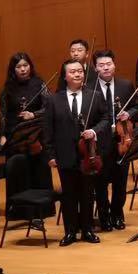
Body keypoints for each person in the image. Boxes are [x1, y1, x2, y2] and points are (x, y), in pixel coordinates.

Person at [46, 58, 103, 245]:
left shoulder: (94, 95)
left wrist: (93, 131)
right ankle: (70, 232)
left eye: (80, 71)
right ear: (65, 76)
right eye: (72, 71)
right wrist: (51, 155)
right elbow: (48, 130)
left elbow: (105, 118)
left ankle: (87, 230)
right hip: (64, 154)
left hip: (88, 154)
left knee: (87, 194)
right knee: (68, 195)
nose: (77, 74)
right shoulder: (54, 100)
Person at [91, 50, 133, 231]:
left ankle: (117, 214)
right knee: (100, 182)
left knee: (120, 180)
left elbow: (137, 107)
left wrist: (129, 113)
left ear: (114, 65)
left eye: (109, 64)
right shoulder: (89, 89)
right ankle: (104, 216)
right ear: (95, 68)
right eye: (101, 65)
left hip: (122, 140)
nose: (106, 67)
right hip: (100, 143)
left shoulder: (126, 85)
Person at [0, 51, 47, 156]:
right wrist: (2, 136)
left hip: (36, 130)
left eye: (25, 65)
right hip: (15, 132)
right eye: (18, 67)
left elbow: (49, 107)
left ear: (30, 66)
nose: (23, 69)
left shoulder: (39, 84)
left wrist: (33, 114)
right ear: (13, 69)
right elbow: (3, 114)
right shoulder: (8, 88)